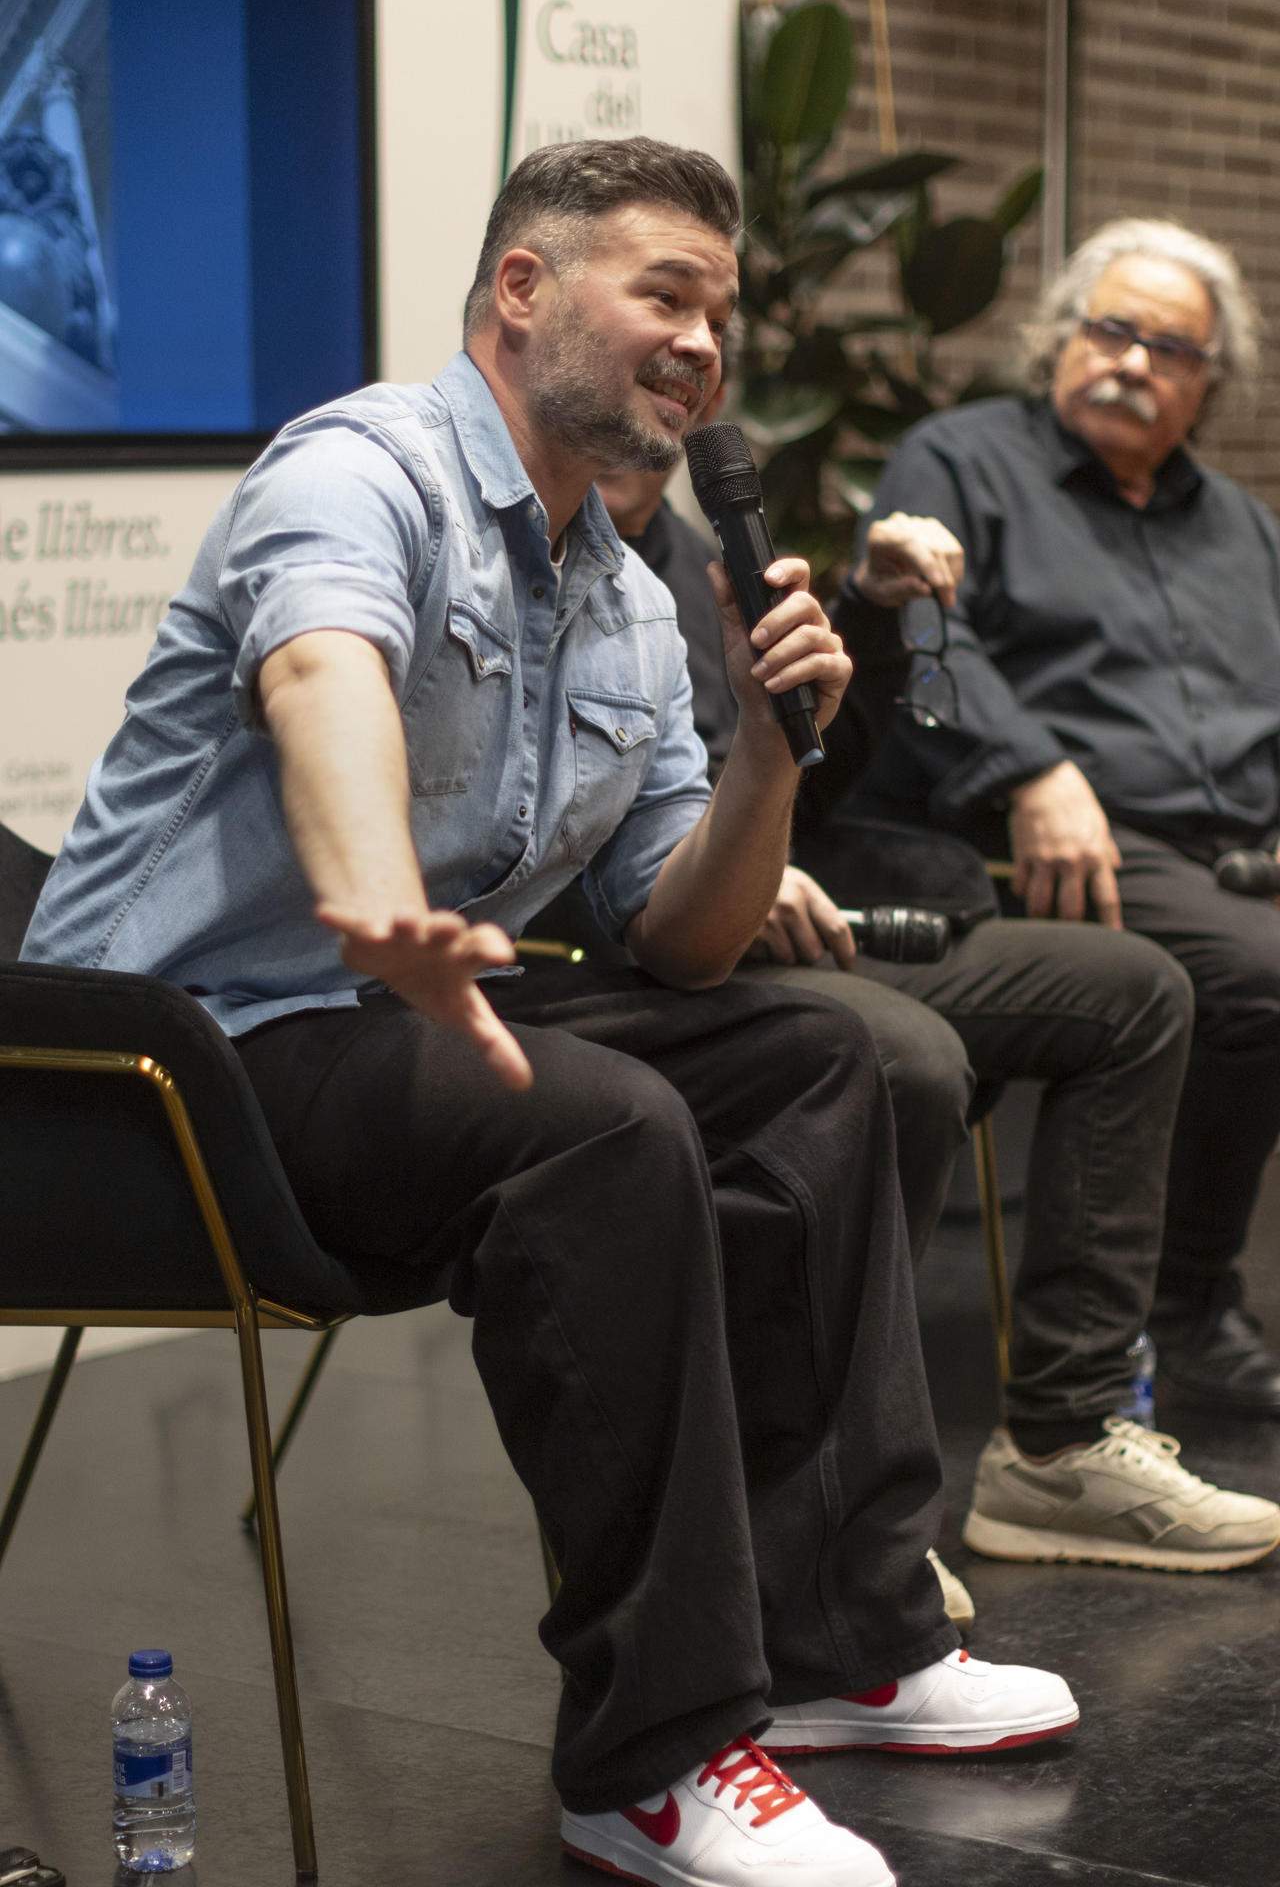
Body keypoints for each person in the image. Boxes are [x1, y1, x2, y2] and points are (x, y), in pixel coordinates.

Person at [20, 137, 1078, 1887]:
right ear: (524, 292)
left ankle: (841, 1641)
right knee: (599, 1122)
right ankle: (651, 1758)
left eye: (720, 314)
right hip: (165, 1069)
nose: (703, 344)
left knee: (837, 1053)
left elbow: (685, 941)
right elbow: (321, 673)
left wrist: (764, 750)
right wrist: (389, 904)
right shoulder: (360, 468)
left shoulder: (627, 596)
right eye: (664, 292)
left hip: (406, 1027)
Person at [591, 386, 1280, 1584]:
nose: (673, 381)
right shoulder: (539, 564)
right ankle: (833, 1505)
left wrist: (863, 610)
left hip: (817, 906)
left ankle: (1057, 1448)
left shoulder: (702, 557)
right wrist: (703, 860)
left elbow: (823, 775)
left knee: (1134, 989)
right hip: (655, 948)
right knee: (900, 1053)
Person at [840, 216, 1280, 1438]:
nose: (1133, 362)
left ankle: (1175, 1297)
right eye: (1112, 330)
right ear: (1060, 340)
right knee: (1255, 980)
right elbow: (922, 639)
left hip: (1231, 841)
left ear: (1207, 383)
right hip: (1051, 832)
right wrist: (1030, 767)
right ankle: (1185, 1306)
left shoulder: (1241, 529)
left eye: (1169, 349)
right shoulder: (961, 461)